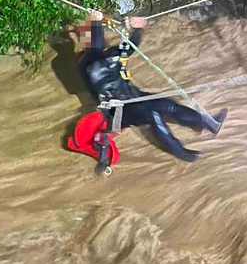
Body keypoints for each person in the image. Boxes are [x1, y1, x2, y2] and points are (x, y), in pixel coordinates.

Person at [77, 11, 227, 163]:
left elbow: (121, 49)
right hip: (118, 111)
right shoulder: (98, 65)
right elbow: (124, 48)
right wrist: (135, 29)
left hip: (133, 96)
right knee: (153, 115)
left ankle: (207, 123)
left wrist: (126, 27)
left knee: (167, 104)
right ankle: (181, 152)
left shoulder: (96, 60)